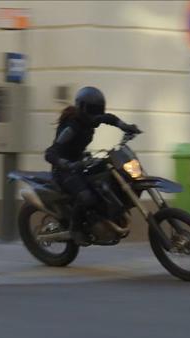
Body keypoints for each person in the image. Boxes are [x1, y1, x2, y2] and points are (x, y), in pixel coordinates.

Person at [44, 86, 129, 245]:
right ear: (82, 108)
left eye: (99, 110)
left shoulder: (91, 118)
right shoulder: (71, 128)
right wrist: (66, 164)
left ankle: (104, 218)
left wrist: (125, 126)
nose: (97, 115)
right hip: (64, 170)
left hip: (80, 163)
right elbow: (50, 153)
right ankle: (75, 229)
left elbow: (108, 118)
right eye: (93, 110)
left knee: (107, 178)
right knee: (86, 196)